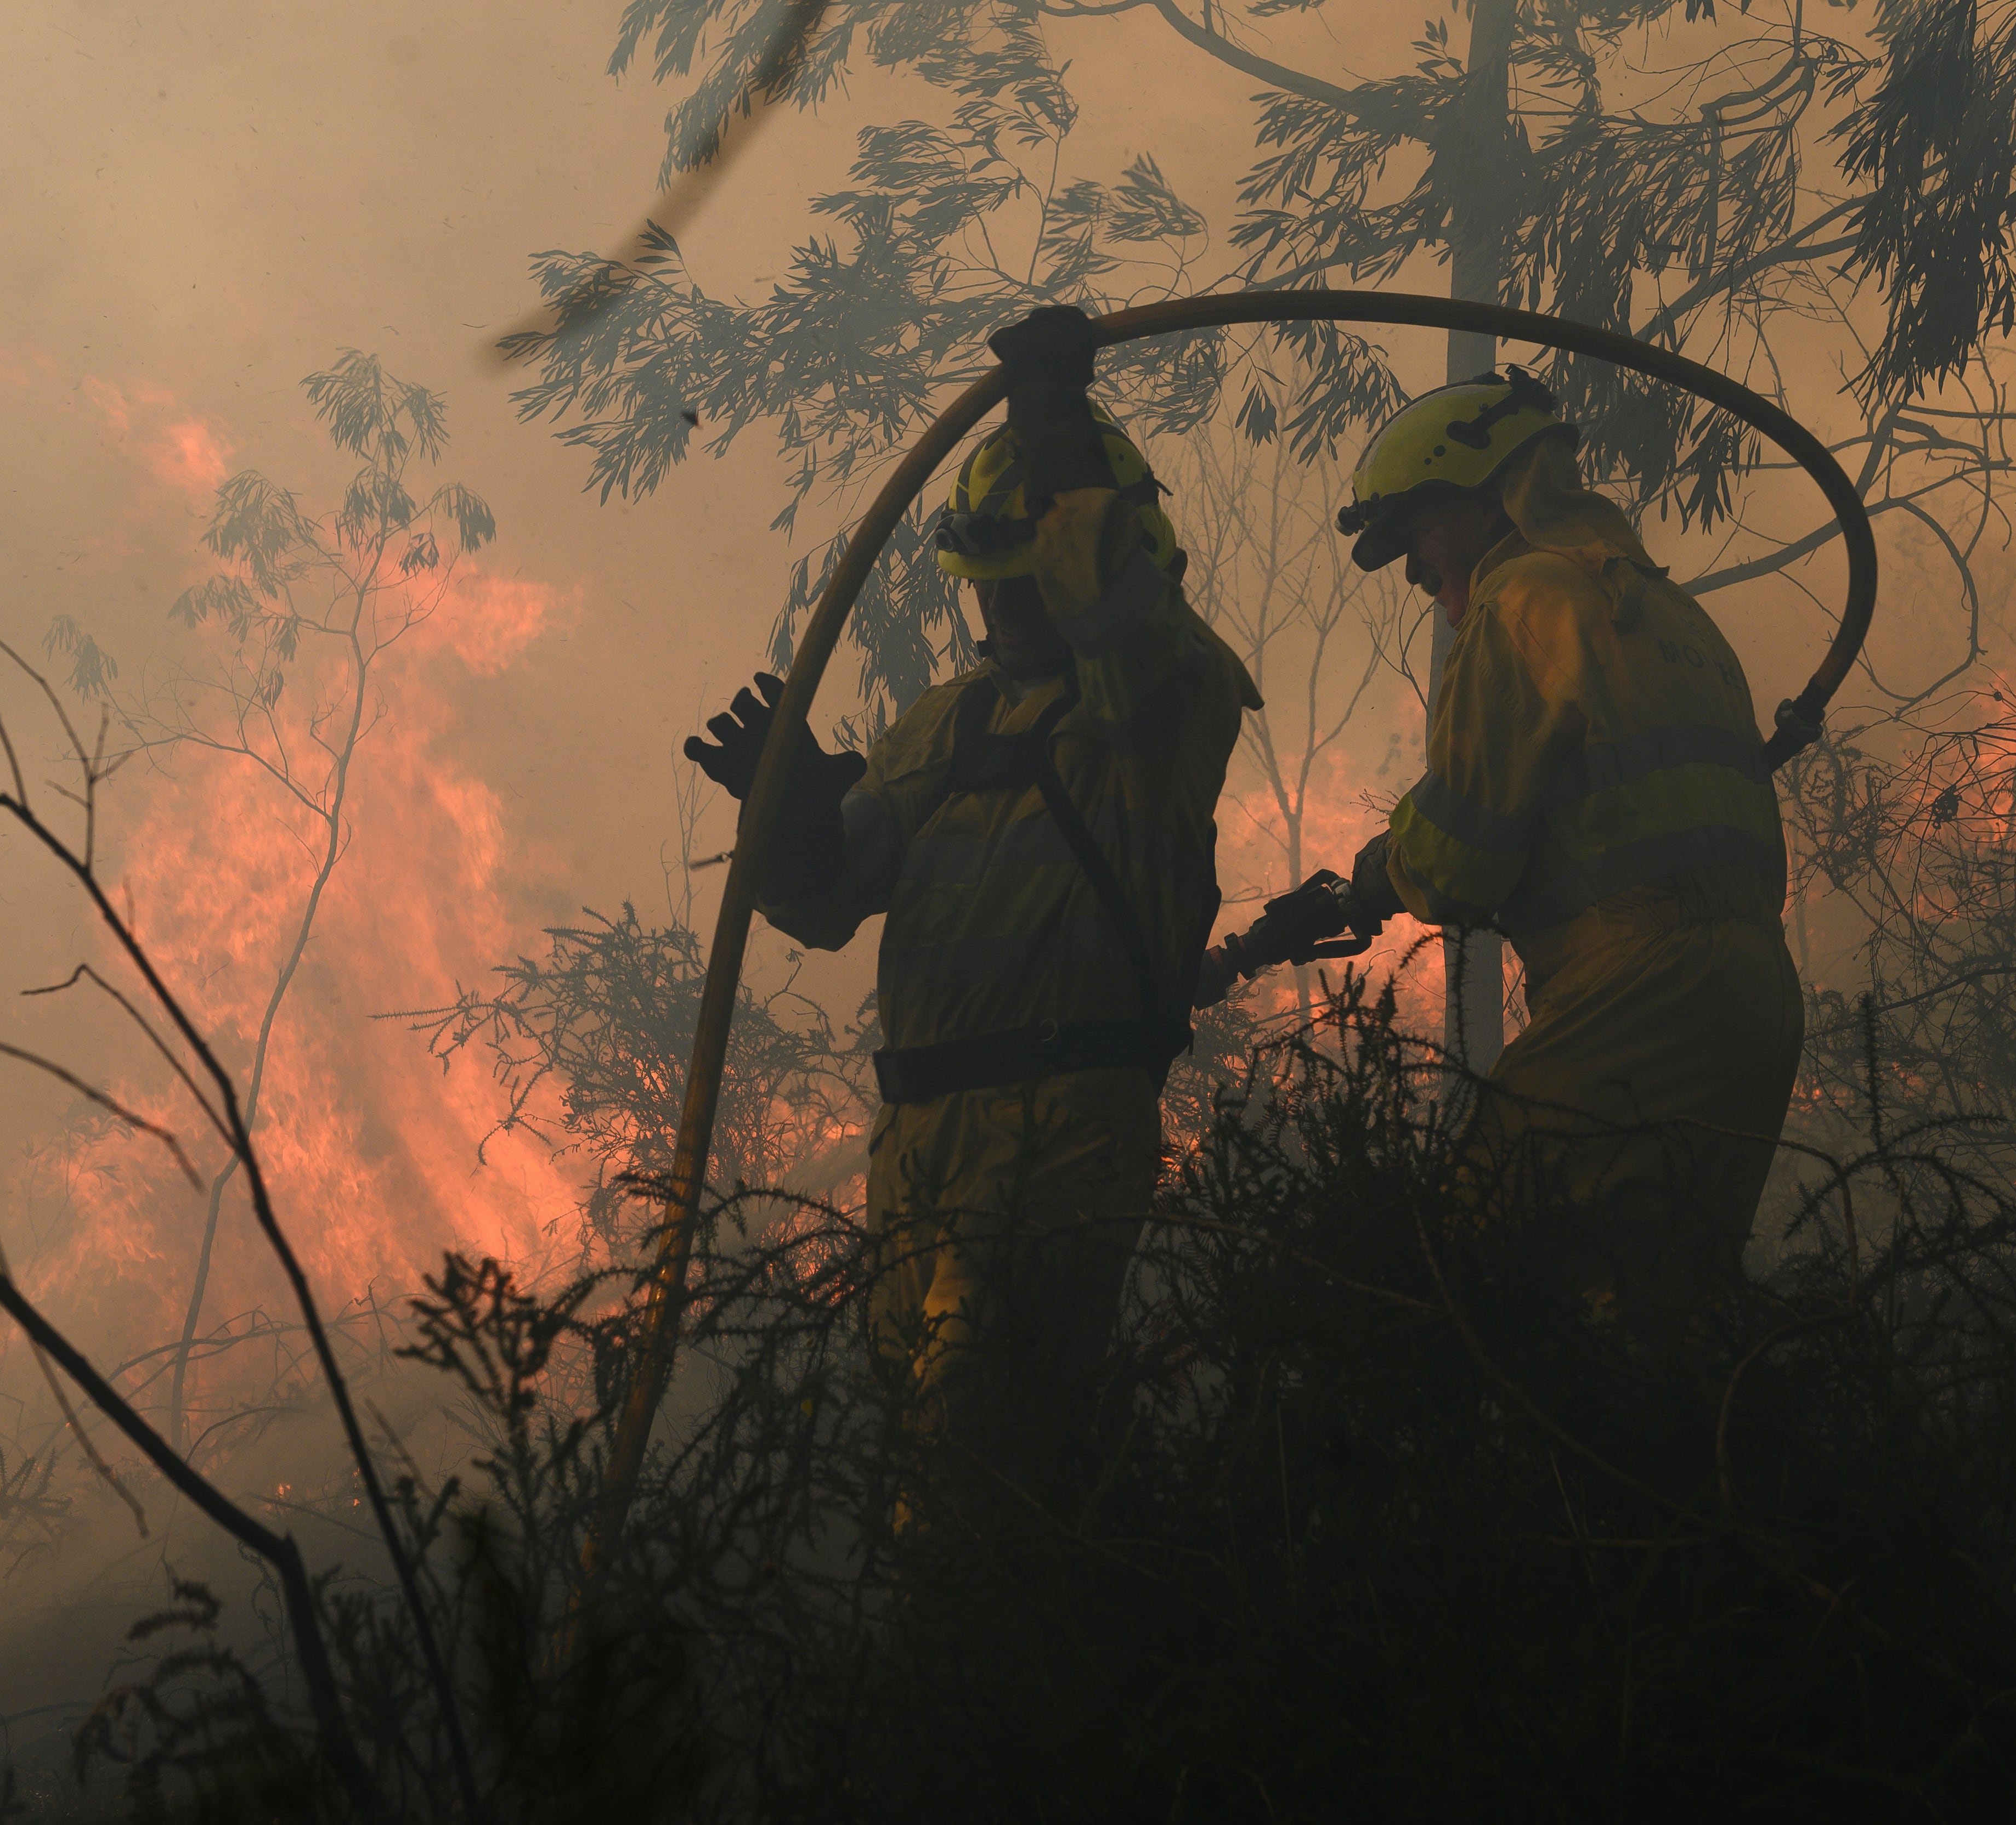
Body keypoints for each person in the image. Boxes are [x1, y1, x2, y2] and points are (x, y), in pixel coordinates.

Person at [684, 306, 1259, 1516]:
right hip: (924, 1133)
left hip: (1064, 1116)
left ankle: (1014, 1666)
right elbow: (829, 898)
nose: (1002, 604)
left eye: (1026, 571)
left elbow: (1116, 611)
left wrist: (1050, 423)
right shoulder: (945, 723)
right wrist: (785, 818)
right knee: (923, 1460)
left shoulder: (1168, 698)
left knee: (990, 1458)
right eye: (988, 576)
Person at [1338, 369, 1804, 1335]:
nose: (1417, 575)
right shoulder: (1669, 613)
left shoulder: (1522, 603)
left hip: (1641, 989)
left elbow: (1461, 858)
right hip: (1756, 994)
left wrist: (1387, 868)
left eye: (1416, 536)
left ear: (1477, 497)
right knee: (1650, 1307)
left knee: (1469, 1264)